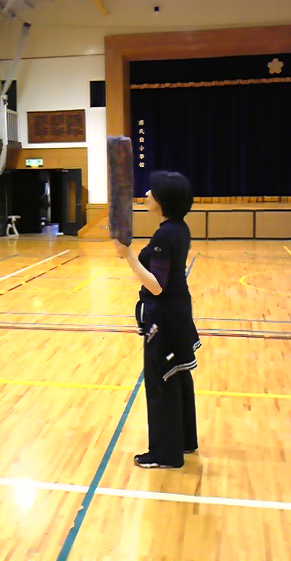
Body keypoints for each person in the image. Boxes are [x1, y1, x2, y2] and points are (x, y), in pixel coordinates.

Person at [113, 171, 201, 468]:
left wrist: (128, 255)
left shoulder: (165, 235)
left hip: (165, 318)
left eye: (153, 191)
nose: (147, 193)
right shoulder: (179, 228)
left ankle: (165, 454)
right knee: (178, 377)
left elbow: (156, 285)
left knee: (162, 383)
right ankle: (184, 442)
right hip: (177, 312)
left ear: (164, 199)